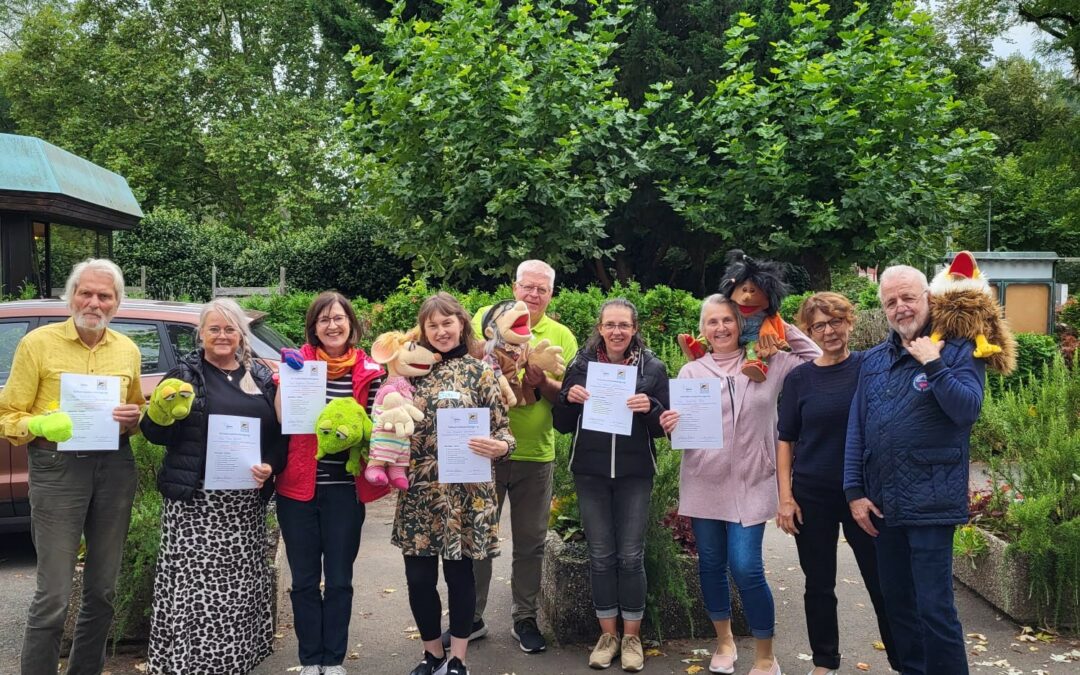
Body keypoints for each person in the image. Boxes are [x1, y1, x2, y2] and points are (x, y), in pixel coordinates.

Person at [660, 294, 819, 675]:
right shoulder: (691, 373)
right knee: (711, 566)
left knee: (746, 568)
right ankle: (724, 642)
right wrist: (671, 428)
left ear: (741, 323)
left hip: (752, 482)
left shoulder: (770, 361)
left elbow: (815, 359)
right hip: (703, 481)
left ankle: (766, 654)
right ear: (703, 329)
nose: (720, 329)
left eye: (728, 320)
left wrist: (774, 321)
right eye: (712, 322)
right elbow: (683, 433)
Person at [0, 259, 143, 675]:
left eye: (105, 295)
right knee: (54, 595)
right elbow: (8, 415)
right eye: (87, 293)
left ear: (116, 303)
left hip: (115, 466)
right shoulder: (38, 344)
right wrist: (40, 423)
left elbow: (134, 409)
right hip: (56, 467)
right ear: (71, 295)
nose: (94, 302)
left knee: (102, 591)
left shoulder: (127, 349)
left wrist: (134, 419)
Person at [844, 265, 985, 675]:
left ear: (928, 297)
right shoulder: (873, 360)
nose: (900, 307)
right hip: (882, 503)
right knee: (899, 605)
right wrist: (854, 491)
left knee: (934, 608)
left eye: (908, 297)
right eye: (891, 301)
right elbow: (858, 427)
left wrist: (933, 364)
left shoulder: (960, 348)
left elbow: (966, 411)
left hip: (931, 498)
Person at [140, 298, 286, 674]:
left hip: (244, 506)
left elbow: (281, 434)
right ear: (201, 334)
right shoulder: (184, 375)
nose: (223, 336)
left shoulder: (262, 376)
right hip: (196, 504)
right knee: (196, 594)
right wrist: (160, 410)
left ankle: (234, 663)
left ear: (241, 334)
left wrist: (271, 465)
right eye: (214, 329)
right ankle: (192, 665)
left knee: (238, 593)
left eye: (230, 329)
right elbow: (155, 433)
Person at [775, 292, 898, 675]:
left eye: (835, 322)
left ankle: (903, 660)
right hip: (813, 493)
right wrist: (785, 498)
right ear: (810, 331)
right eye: (819, 326)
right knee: (819, 584)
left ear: (849, 322)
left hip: (865, 494)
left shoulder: (871, 367)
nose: (828, 331)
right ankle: (824, 662)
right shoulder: (800, 379)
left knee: (883, 583)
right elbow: (785, 439)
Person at [394, 292, 515, 675]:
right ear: (424, 330)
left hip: (466, 494)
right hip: (420, 493)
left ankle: (458, 659)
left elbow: (504, 431)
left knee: (460, 576)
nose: (441, 331)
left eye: (448, 323)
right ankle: (431, 654)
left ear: (461, 324)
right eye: (433, 325)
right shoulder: (409, 371)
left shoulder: (481, 371)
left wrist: (500, 446)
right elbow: (386, 417)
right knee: (418, 579)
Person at [464, 259, 578, 653]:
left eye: (541, 290)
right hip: (483, 451)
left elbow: (568, 398)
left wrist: (540, 379)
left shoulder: (561, 335)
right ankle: (471, 618)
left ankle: (524, 617)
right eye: (527, 287)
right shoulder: (485, 317)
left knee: (530, 541)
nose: (532, 295)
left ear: (551, 294)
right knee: (478, 537)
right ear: (514, 288)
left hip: (535, 454)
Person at [551, 298, 669, 672]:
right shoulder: (581, 365)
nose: (617, 331)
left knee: (630, 556)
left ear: (635, 329)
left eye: (624, 325)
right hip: (591, 471)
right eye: (609, 325)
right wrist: (568, 399)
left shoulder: (653, 367)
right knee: (601, 555)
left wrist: (649, 407)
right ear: (600, 328)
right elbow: (563, 423)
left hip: (635, 473)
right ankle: (608, 636)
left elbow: (662, 429)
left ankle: (632, 637)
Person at [274, 291, 388, 675]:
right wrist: (285, 381)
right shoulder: (297, 366)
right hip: (298, 488)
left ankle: (334, 659)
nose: (333, 325)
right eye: (324, 319)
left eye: (339, 318)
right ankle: (310, 659)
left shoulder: (372, 370)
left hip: (345, 490)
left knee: (339, 579)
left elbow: (381, 426)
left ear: (351, 324)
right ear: (314, 327)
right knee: (304, 580)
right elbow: (281, 419)